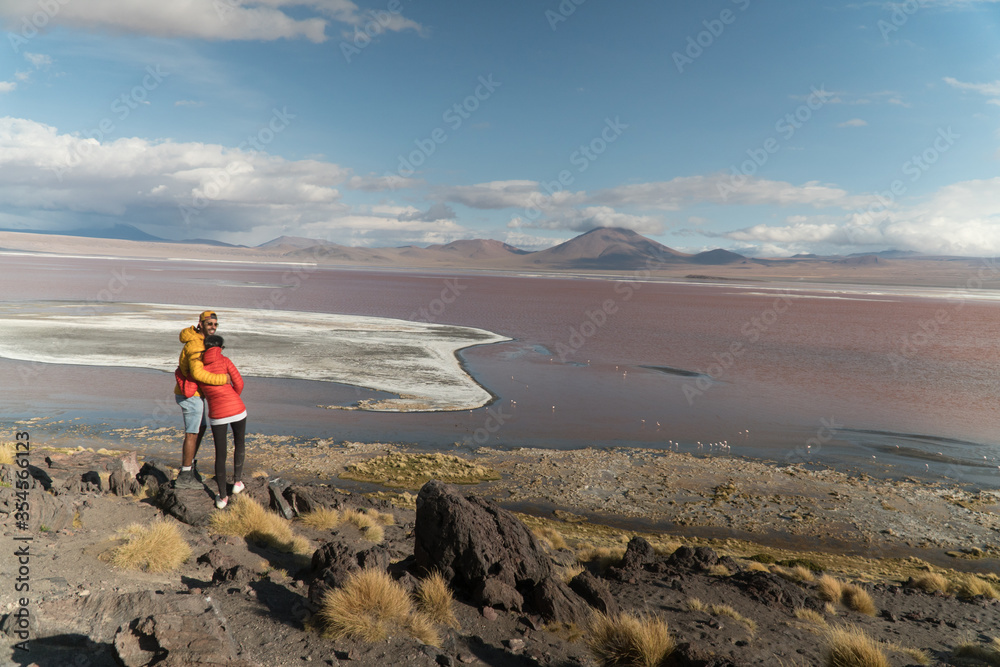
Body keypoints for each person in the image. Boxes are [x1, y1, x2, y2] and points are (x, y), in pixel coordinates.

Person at [173, 310, 230, 489]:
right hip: (190, 395)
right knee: (192, 433)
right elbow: (197, 373)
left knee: (201, 427)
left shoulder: (201, 342)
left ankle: (190, 467)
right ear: (201, 324)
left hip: (196, 394)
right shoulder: (196, 346)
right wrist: (223, 379)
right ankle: (185, 475)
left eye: (215, 324)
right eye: (209, 324)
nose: (213, 327)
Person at [196, 334, 247, 509]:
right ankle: (238, 483)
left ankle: (223, 498)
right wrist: (232, 398)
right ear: (220, 348)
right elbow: (239, 383)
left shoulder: (199, 367)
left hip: (217, 414)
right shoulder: (225, 360)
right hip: (237, 409)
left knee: (220, 454)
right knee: (239, 442)